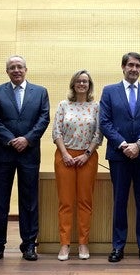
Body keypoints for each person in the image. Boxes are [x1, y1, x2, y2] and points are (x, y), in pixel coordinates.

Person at [0, 55, 50, 262]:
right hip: (5, 152)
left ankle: (29, 244)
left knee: (29, 201)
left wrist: (27, 139)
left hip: (29, 153)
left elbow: (44, 118)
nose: (16, 70)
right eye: (12, 67)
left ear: (26, 69)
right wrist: (12, 140)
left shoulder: (40, 92)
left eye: (19, 67)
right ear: (7, 71)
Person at [99, 52, 140, 263]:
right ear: (123, 67)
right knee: (120, 201)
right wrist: (124, 145)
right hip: (119, 154)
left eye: (138, 66)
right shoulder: (109, 91)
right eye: (130, 65)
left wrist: (139, 144)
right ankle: (118, 247)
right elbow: (104, 122)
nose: (134, 69)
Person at [52, 70, 103, 261]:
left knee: (85, 202)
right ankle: (64, 245)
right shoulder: (64, 105)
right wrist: (65, 154)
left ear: (89, 85)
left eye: (86, 81)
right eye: (79, 81)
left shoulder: (95, 106)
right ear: (73, 84)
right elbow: (56, 131)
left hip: (87, 158)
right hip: (64, 157)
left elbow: (99, 134)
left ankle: (83, 243)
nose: (82, 84)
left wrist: (87, 154)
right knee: (65, 202)